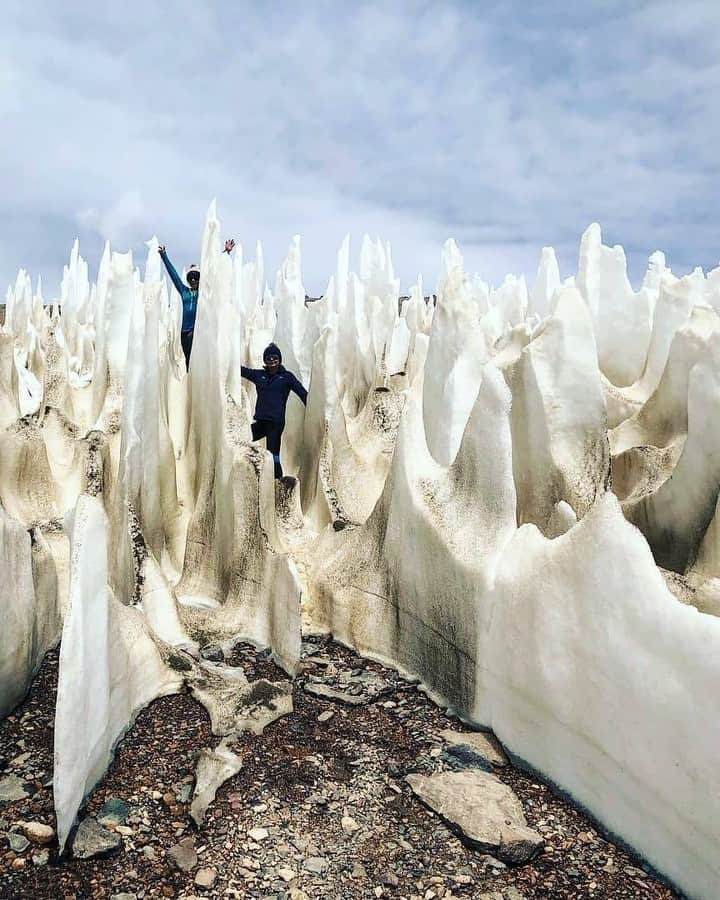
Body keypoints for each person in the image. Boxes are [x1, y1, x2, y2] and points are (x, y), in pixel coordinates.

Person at [158, 239, 235, 368]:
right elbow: (174, 276)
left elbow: (213, 271)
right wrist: (164, 255)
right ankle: (191, 384)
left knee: (197, 362)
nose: (193, 279)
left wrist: (225, 252)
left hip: (196, 331)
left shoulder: (203, 293)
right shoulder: (184, 292)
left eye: (196, 277)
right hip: (184, 333)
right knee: (189, 363)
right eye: (191, 277)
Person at [241, 343, 307, 478]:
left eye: (275, 358)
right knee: (244, 436)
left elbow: (302, 393)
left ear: (280, 360)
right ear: (265, 360)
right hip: (262, 420)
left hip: (276, 422)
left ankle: (278, 480)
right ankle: (253, 469)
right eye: (269, 359)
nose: (272, 362)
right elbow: (244, 371)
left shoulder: (287, 377)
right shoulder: (259, 375)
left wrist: (313, 408)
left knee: (273, 453)